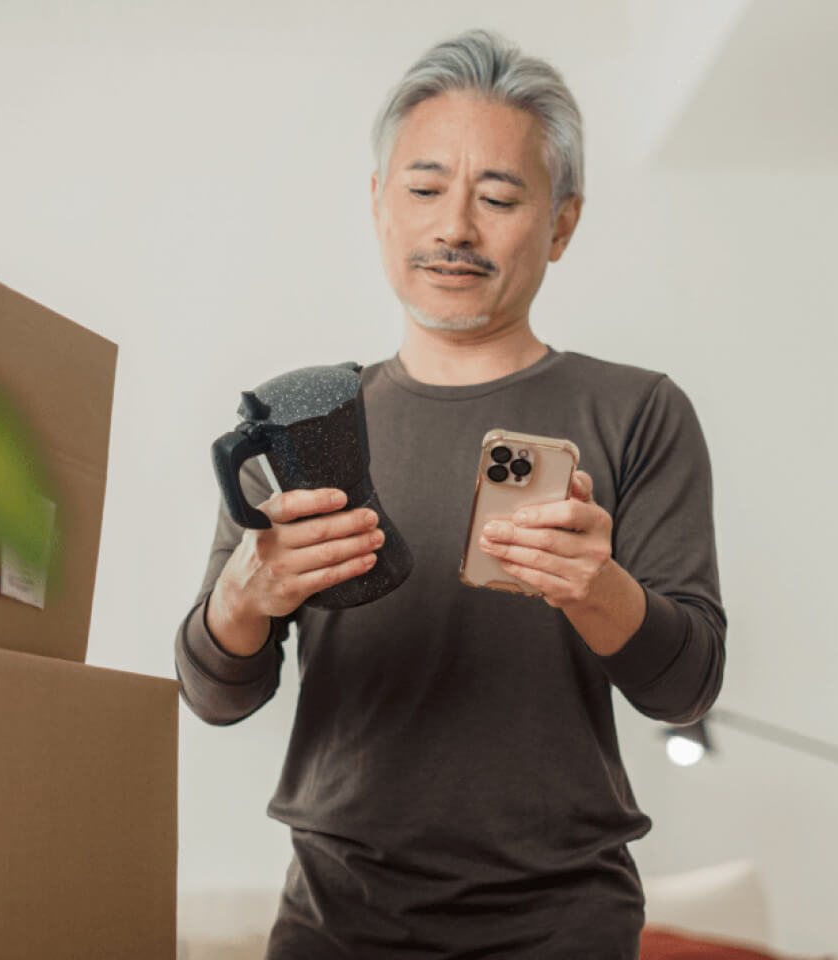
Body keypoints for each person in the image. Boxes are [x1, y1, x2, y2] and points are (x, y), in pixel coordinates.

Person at [175, 27, 727, 960]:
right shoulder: (302, 414)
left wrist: (597, 587)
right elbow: (216, 694)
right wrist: (246, 595)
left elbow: (686, 686)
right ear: (379, 205)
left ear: (561, 223)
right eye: (425, 190)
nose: (455, 229)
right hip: (333, 919)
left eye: (500, 196)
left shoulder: (639, 411)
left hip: (564, 923)